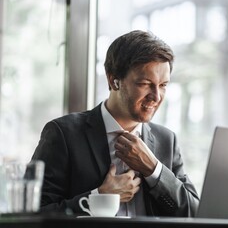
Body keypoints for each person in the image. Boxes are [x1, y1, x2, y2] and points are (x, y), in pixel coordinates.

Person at [31, 30, 199, 217]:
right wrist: (100, 197)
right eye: (145, 84)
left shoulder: (166, 140)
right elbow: (33, 214)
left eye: (163, 85)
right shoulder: (63, 134)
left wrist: (154, 169)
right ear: (114, 80)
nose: (156, 97)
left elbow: (194, 212)